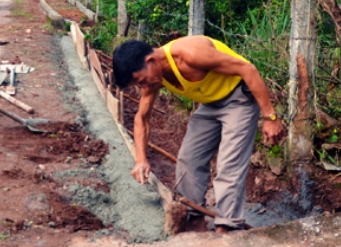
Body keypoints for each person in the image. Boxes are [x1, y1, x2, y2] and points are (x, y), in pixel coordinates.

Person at [112, 36, 286, 233]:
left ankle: (226, 228)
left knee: (229, 164)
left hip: (239, 99)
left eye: (142, 81)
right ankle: (193, 218)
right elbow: (141, 118)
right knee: (189, 158)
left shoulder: (191, 54)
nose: (144, 86)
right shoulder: (152, 78)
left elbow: (248, 69)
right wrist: (140, 159)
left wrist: (270, 117)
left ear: (151, 61)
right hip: (210, 104)